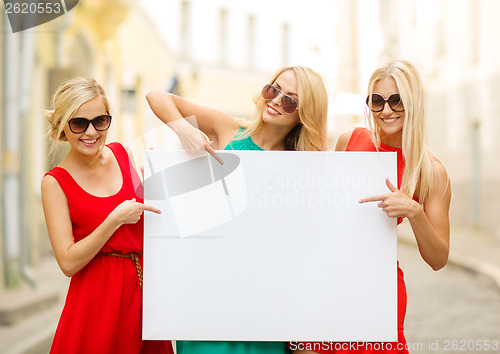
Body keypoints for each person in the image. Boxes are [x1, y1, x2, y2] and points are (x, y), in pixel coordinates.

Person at [146, 66, 329, 354]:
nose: (276, 101)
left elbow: (302, 250)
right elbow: (156, 96)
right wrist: (185, 130)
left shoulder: (301, 168)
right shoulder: (229, 130)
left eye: (290, 100)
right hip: (205, 295)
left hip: (263, 306)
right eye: (273, 89)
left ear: (303, 113)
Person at [293, 59, 451, 354]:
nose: (386, 111)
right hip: (331, 280)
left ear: (413, 102)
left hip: (379, 288)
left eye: (396, 101)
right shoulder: (349, 140)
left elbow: (439, 258)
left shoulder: (431, 171)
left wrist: (414, 212)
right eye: (377, 101)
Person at [41, 77, 174, 354]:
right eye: (79, 123)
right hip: (96, 301)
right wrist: (113, 219)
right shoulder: (55, 182)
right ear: (62, 126)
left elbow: (146, 225)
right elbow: (67, 262)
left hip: (141, 293)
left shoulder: (122, 153)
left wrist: (156, 188)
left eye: (100, 121)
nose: (91, 131)